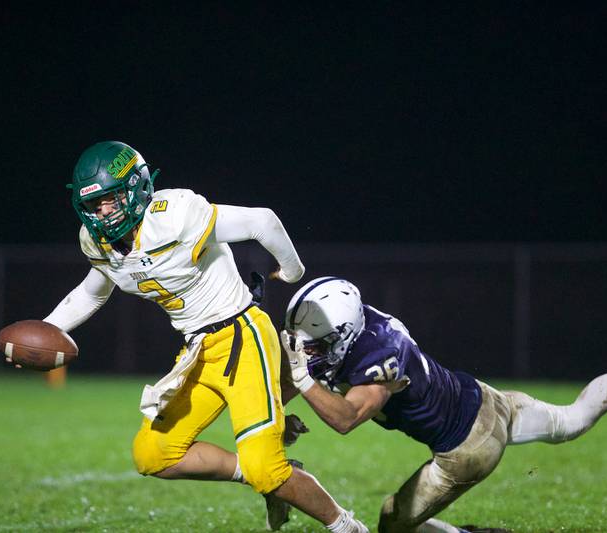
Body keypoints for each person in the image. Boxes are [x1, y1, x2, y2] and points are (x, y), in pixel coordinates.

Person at [30, 141, 368, 532]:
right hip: (199, 349)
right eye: (93, 205)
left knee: (266, 466)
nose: (102, 213)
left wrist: (292, 271)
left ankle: (347, 527)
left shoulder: (173, 216)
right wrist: (49, 328)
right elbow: (93, 290)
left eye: (111, 200)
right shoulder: (97, 242)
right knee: (153, 454)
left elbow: (263, 221)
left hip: (242, 335)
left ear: (138, 189)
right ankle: (269, 476)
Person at [280, 276, 607, 533]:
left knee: (393, 524)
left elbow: (347, 418)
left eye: (316, 344)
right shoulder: (361, 322)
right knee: (573, 420)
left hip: (466, 447)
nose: (308, 351)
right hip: (486, 398)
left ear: (343, 334)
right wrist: (282, 409)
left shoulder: (380, 360)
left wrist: (302, 379)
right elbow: (320, 369)